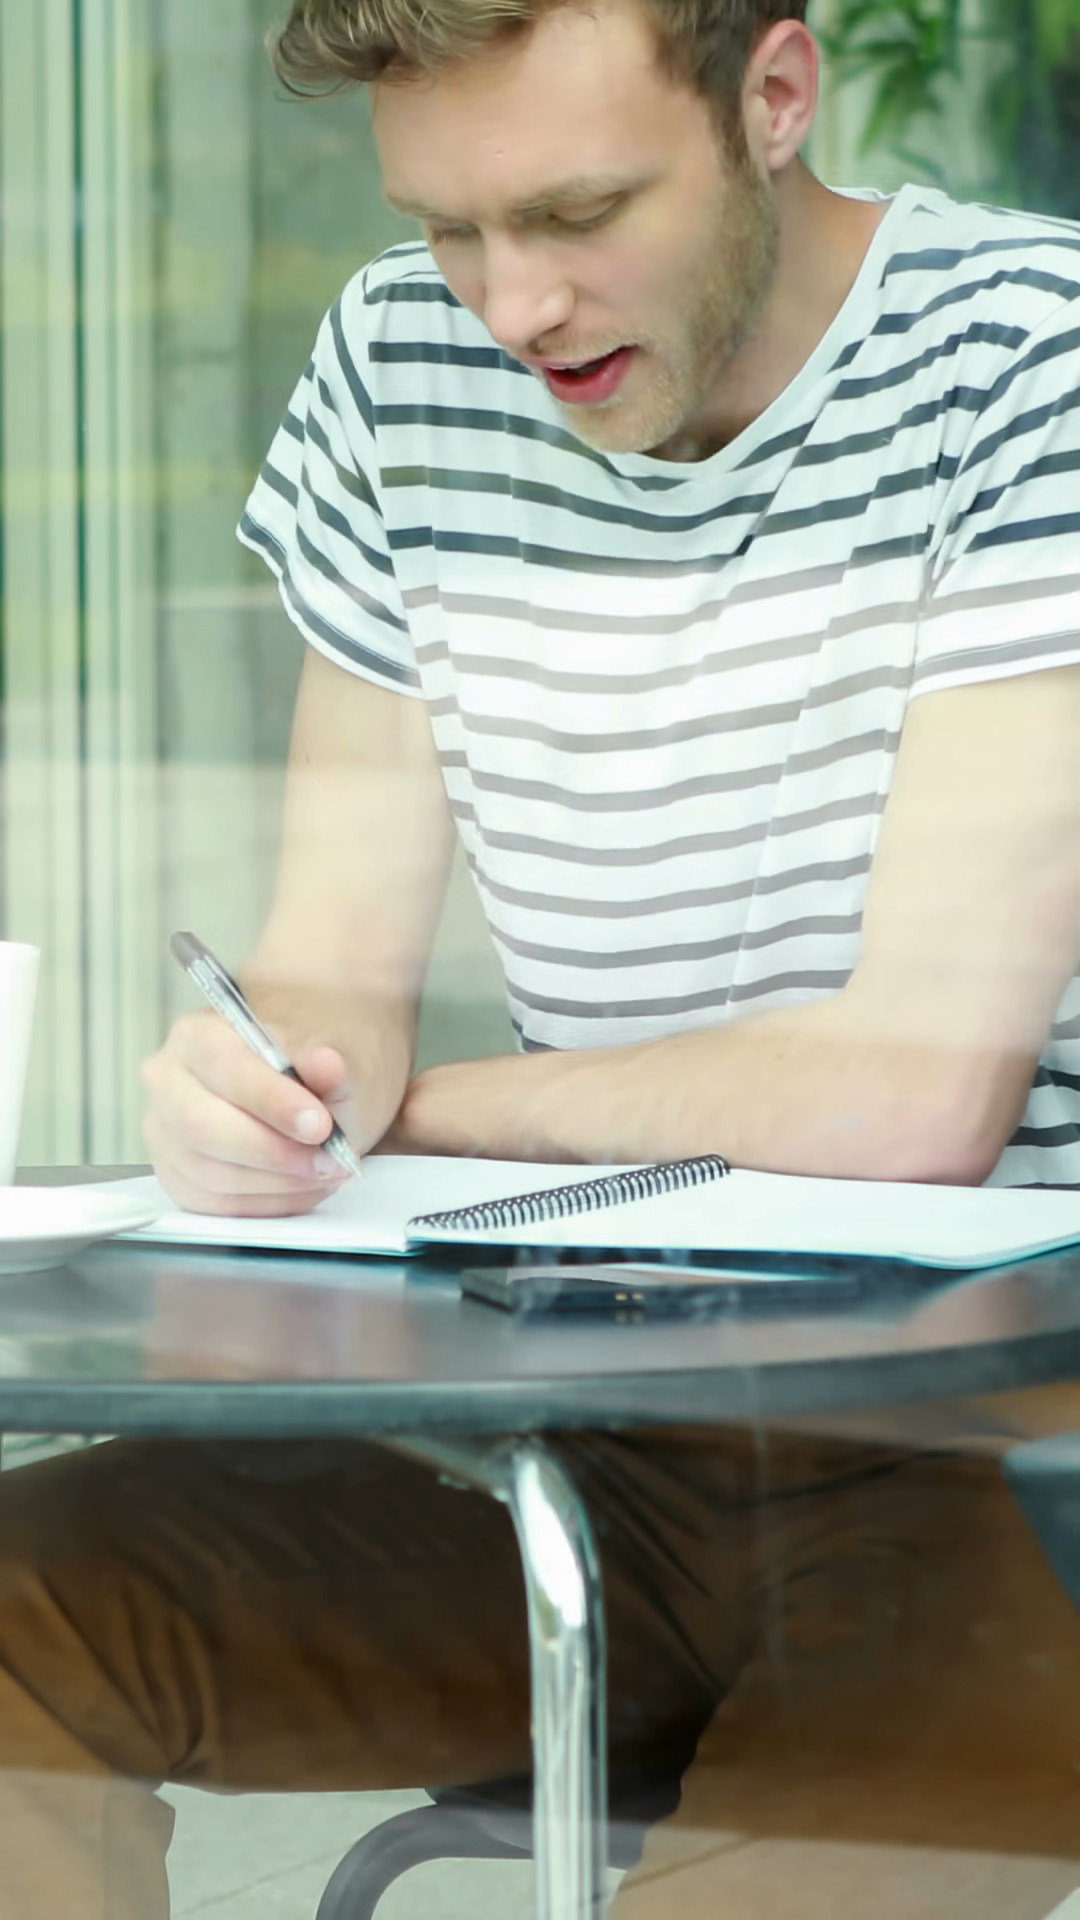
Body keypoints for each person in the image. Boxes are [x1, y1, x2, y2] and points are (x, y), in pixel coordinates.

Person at [3, 1, 1080, 1914]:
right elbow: (332, 969)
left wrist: (429, 1112)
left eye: (581, 212)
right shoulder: (398, 363)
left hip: (1013, 1465)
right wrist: (274, 1087)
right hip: (583, 1441)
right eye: (449, 226)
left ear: (774, 96)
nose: (513, 306)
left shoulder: (1031, 358)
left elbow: (913, 1096)